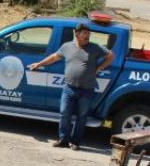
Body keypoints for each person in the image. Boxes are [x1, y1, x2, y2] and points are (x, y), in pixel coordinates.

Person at [28, 23, 113, 151]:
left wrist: (99, 68)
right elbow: (54, 57)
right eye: (85, 34)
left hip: (86, 89)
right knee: (64, 114)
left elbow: (110, 55)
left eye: (88, 34)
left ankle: (75, 142)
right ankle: (63, 140)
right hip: (69, 88)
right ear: (76, 34)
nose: (87, 36)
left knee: (81, 117)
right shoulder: (67, 47)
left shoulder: (95, 48)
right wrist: (39, 64)